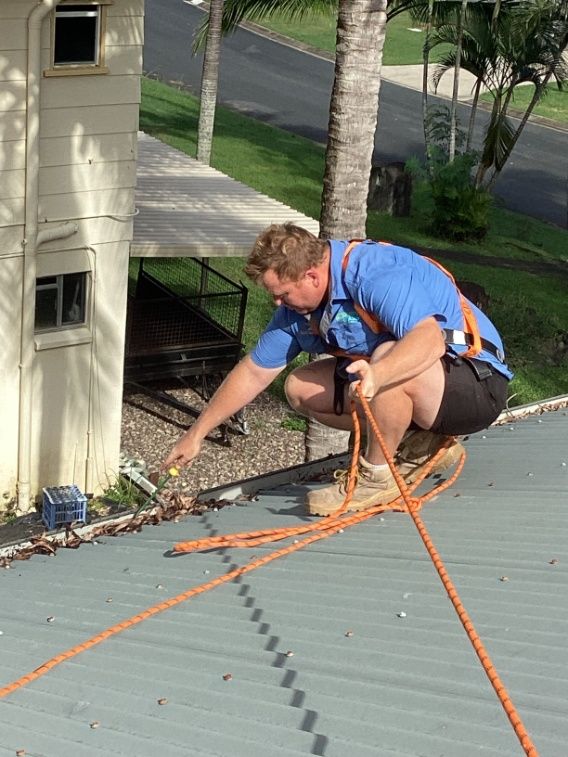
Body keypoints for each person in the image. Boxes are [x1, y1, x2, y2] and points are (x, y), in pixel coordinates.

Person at [164, 223, 512, 516]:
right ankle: (419, 443)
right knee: (300, 387)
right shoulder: (297, 313)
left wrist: (379, 374)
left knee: (388, 356)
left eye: (282, 295)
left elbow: (430, 341)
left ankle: (376, 478)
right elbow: (255, 372)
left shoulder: (373, 273)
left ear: (312, 275)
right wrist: (196, 433)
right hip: (427, 387)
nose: (277, 304)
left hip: (477, 385)